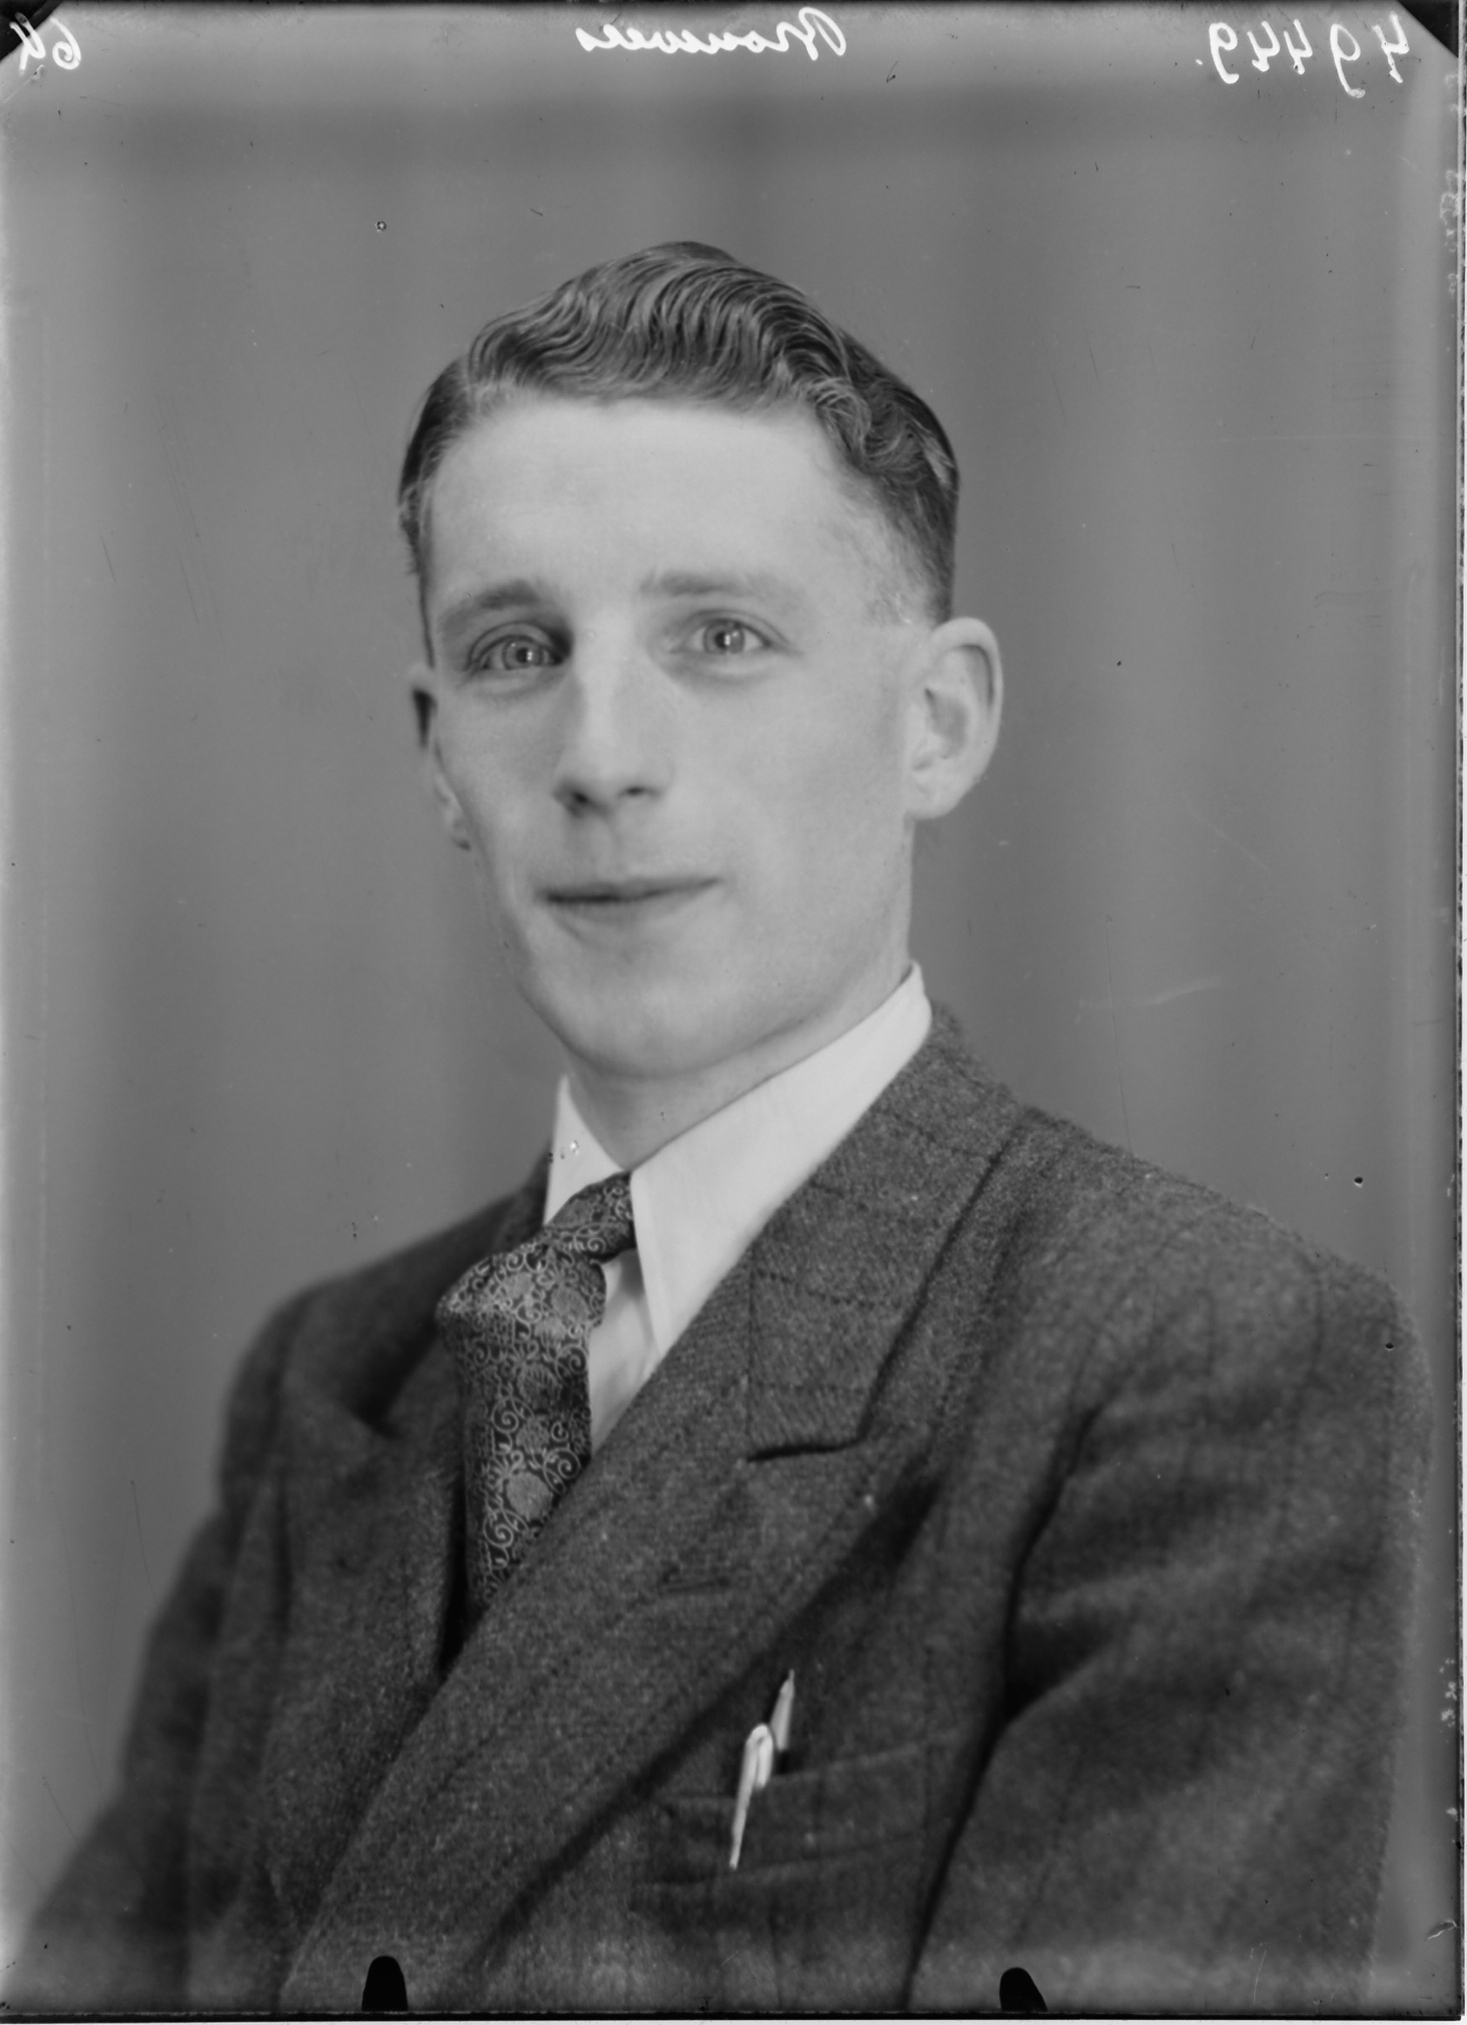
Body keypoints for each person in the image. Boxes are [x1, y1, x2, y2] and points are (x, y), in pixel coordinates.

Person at [15, 243, 1429, 2015]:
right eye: (518, 650)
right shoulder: (334, 1374)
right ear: (440, 755)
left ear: (936, 724)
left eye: (722, 638)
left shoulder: (1187, 1359)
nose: (603, 755)